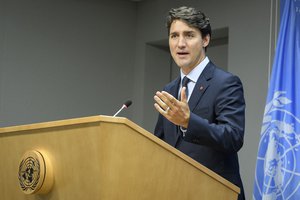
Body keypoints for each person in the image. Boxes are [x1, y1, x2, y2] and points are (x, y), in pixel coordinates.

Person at [153, 6, 245, 200]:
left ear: (205, 39)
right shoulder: (170, 90)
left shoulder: (226, 82)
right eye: (174, 36)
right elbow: (159, 145)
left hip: (215, 193)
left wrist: (188, 122)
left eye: (189, 35)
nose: (180, 44)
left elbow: (232, 137)